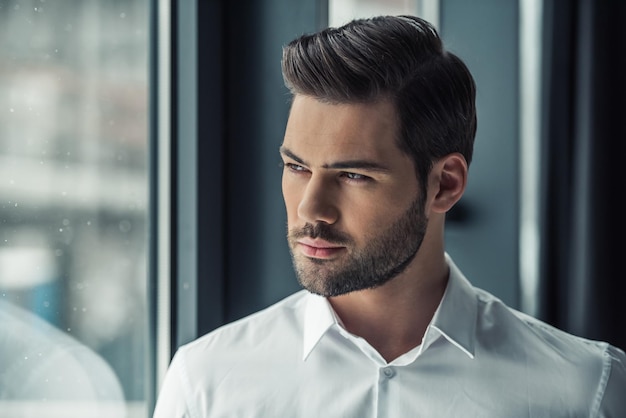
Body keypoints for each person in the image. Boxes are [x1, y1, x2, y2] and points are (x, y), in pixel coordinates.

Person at [153, 15, 626, 417]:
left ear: (445, 184)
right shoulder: (207, 384)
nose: (309, 208)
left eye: (354, 176)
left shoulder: (584, 389)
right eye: (296, 167)